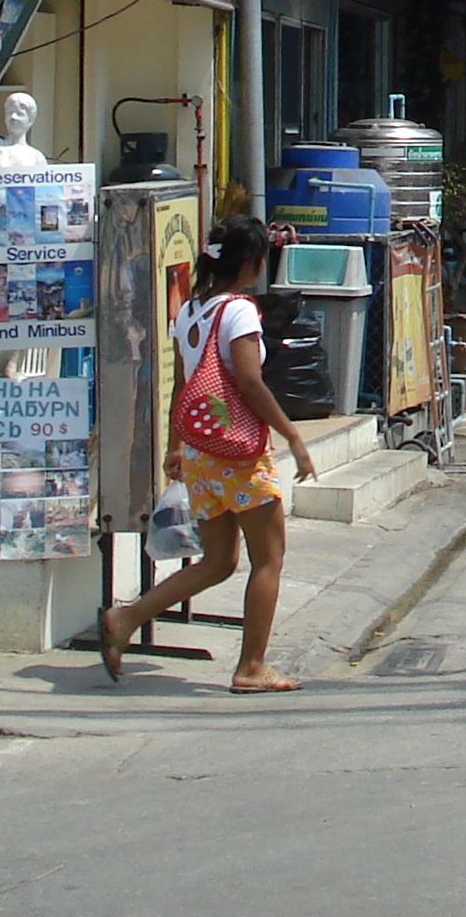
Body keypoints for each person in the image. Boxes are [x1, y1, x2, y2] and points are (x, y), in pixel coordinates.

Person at [98, 213, 319, 694]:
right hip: (238, 454)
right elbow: (248, 381)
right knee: (269, 559)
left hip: (202, 453)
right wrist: (293, 437)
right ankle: (252, 667)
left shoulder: (192, 310)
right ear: (254, 263)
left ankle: (127, 617)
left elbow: (185, 382)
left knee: (219, 561)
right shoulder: (239, 311)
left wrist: (177, 444)